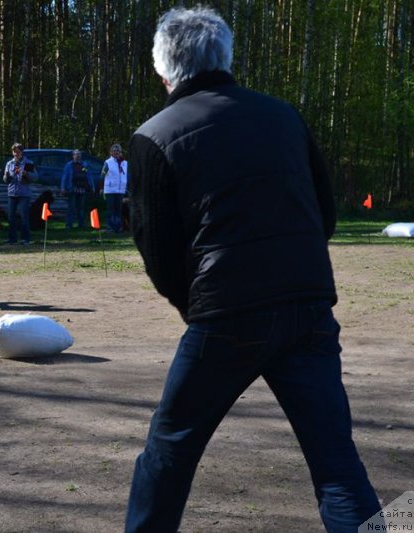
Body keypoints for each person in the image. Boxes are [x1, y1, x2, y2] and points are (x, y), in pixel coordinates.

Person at [124, 7, 381, 532]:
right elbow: (324, 212)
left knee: (168, 453)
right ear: (226, 56)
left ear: (162, 68)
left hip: (225, 314)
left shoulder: (153, 135)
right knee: (337, 462)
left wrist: (195, 304)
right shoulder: (284, 115)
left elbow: (157, 248)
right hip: (308, 306)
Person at [3, 143, 37, 244]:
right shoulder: (9, 164)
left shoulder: (28, 163)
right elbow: (4, 179)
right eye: (14, 152)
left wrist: (28, 174)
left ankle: (25, 239)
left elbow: (36, 177)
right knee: (11, 217)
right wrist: (6, 177)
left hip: (24, 194)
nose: (15, 154)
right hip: (12, 193)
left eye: (17, 152)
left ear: (21, 152)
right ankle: (12, 239)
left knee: (24, 217)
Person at [60, 149, 94, 229]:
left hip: (82, 189)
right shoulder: (69, 165)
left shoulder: (85, 165)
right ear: (73, 156)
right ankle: (69, 225)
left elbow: (89, 175)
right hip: (72, 188)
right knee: (71, 207)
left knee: (81, 208)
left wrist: (92, 187)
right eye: (75, 154)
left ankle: (81, 224)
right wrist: (63, 188)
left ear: (81, 156)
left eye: (79, 154)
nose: (77, 156)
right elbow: (64, 177)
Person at [101, 143, 127, 233]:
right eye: (114, 151)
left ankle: (118, 227)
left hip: (121, 190)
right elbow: (102, 175)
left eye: (118, 151)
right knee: (111, 209)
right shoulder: (108, 162)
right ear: (111, 152)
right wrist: (102, 188)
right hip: (110, 190)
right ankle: (110, 227)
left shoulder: (125, 163)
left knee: (119, 209)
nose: (116, 152)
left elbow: (128, 176)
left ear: (120, 152)